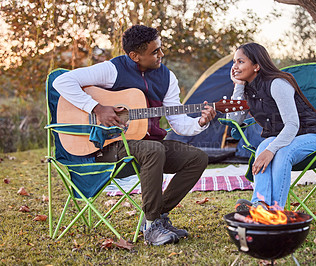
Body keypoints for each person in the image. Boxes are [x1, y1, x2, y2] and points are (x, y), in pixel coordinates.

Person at [53, 25, 216, 246]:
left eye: (160, 49)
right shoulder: (112, 70)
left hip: (148, 148)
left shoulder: (167, 77)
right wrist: (97, 108)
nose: (161, 54)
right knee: (154, 149)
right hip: (107, 146)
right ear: (134, 56)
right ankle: (151, 228)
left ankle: (157, 216)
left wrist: (200, 122)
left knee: (197, 158)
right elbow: (61, 82)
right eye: (155, 51)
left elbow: (177, 123)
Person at [227, 43, 316, 211]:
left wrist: (271, 149)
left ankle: (276, 211)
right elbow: (234, 120)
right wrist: (238, 86)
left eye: (240, 61)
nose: (235, 67)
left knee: (281, 152)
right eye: (234, 62)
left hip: (313, 135)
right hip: (284, 138)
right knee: (262, 147)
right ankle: (260, 204)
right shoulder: (247, 90)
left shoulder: (277, 83)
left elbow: (292, 125)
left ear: (256, 66)